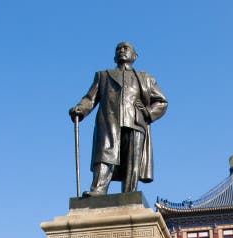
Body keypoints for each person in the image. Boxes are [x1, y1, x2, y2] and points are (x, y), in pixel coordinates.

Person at [69, 42, 168, 196]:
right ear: (114, 57)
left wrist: (147, 112)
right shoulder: (103, 76)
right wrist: (80, 109)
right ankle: (98, 190)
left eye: (126, 48)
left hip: (135, 122)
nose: (122, 50)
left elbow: (162, 101)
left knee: (132, 161)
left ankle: (129, 194)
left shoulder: (145, 78)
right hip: (109, 121)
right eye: (118, 49)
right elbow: (90, 98)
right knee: (104, 155)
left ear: (134, 56)